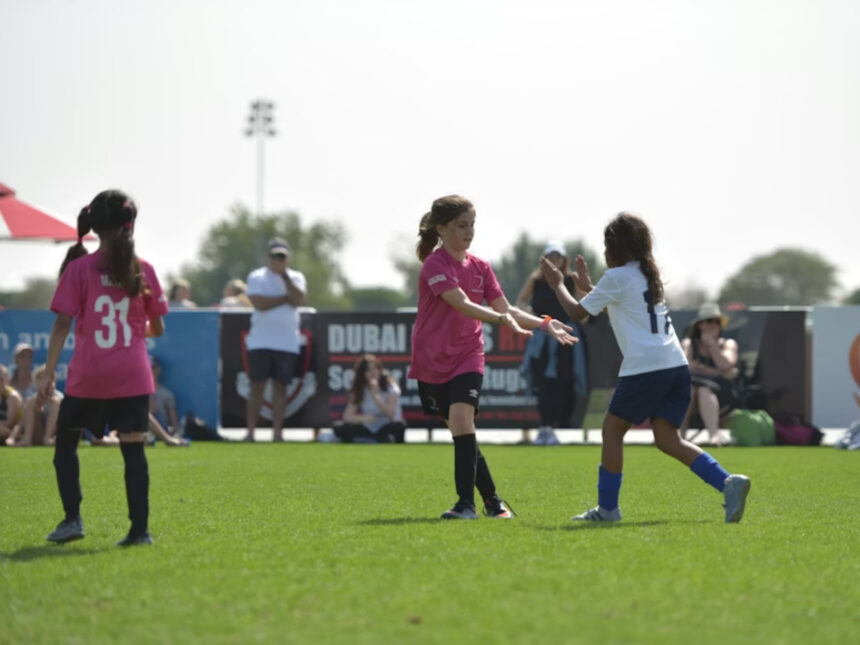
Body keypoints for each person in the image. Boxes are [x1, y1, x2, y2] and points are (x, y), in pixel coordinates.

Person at [540, 212, 751, 523]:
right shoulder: (644, 275)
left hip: (645, 368)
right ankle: (728, 482)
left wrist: (558, 284)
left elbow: (576, 313)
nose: (603, 251)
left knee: (612, 431)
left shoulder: (618, 276)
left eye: (605, 244)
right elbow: (620, 302)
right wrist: (588, 288)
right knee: (667, 439)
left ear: (616, 247)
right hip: (675, 366)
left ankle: (608, 510)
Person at [408, 195, 578, 519]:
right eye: (462, 226)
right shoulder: (435, 264)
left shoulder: (481, 267)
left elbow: (508, 309)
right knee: (463, 431)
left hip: (468, 355)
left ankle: (465, 505)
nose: (469, 231)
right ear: (441, 228)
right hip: (431, 360)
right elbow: (460, 303)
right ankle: (493, 503)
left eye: (472, 225)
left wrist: (544, 323)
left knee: (461, 422)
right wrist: (500, 320)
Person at [40, 189, 169, 547]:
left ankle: (72, 520)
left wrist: (48, 372)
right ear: (130, 225)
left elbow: (62, 324)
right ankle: (139, 532)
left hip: (89, 376)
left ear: (95, 225)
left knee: (65, 444)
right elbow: (156, 328)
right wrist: (133, 330)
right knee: (134, 452)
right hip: (132, 376)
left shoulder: (79, 268)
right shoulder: (144, 270)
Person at [516, 241, 587, 445]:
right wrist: (532, 318)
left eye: (558, 256)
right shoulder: (536, 280)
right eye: (550, 256)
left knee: (562, 385)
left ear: (564, 259)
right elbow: (521, 302)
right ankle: (545, 429)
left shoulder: (571, 280)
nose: (554, 260)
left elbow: (586, 307)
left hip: (565, 341)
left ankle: (553, 427)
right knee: (542, 384)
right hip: (541, 341)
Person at [243, 238, 307, 442]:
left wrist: (286, 280)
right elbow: (258, 303)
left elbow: (299, 299)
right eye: (274, 256)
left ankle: (278, 433)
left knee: (281, 387)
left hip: (287, 342)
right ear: (267, 257)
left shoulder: (296, 277)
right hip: (260, 341)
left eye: (282, 256)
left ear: (288, 258)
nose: (277, 260)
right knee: (257, 386)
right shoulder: (257, 276)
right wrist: (284, 299)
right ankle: (251, 432)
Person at [680, 303, 739, 446]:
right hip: (691, 389)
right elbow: (685, 366)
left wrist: (712, 346)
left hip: (721, 393)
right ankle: (679, 437)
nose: (714, 325)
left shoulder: (727, 343)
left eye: (717, 322)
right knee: (691, 390)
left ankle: (714, 436)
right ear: (700, 325)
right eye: (709, 321)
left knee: (704, 390)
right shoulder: (689, 343)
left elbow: (725, 364)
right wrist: (719, 372)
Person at [334, 354, 407, 443]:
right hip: (369, 427)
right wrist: (364, 418)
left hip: (387, 425)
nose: (372, 372)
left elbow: (391, 414)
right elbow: (347, 416)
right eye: (368, 370)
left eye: (375, 369)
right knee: (339, 427)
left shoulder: (390, 386)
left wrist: (375, 396)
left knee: (399, 426)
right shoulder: (360, 389)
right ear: (362, 373)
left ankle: (383, 439)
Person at [5, 365, 62, 447]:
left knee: (56, 402)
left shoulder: (60, 397)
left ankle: (47, 438)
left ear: (54, 381)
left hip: (56, 434)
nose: (45, 382)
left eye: (49, 378)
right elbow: (22, 422)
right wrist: (12, 437)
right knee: (30, 403)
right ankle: (27, 439)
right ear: (36, 382)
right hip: (38, 433)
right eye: (40, 378)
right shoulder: (32, 399)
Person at [149, 356, 180, 436]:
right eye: (147, 367)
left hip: (161, 429)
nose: (150, 371)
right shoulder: (136, 392)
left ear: (158, 369)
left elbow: (174, 420)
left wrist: (173, 432)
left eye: (153, 368)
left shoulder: (167, 394)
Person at [0, 364, 23, 443]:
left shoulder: (13, 396)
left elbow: (10, 423)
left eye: (1, 379)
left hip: (15, 432)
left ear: (7, 379)